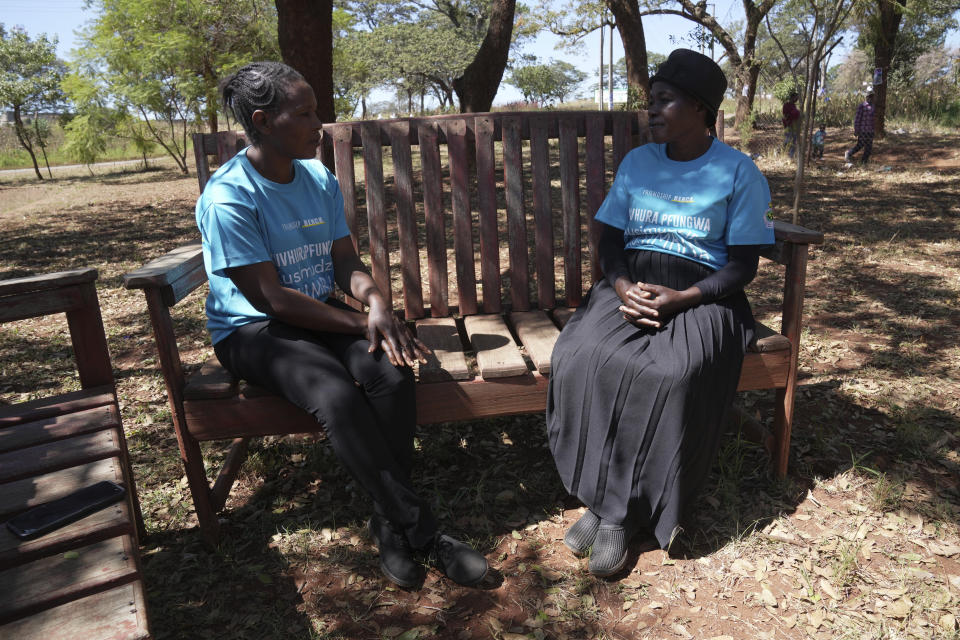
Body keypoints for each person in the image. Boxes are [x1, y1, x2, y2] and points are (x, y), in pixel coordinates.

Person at [196, 61, 489, 589]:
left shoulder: (315, 177)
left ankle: (386, 520)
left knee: (392, 373)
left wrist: (376, 304)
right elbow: (272, 299)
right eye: (305, 113)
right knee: (336, 396)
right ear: (263, 121)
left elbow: (344, 263)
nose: (320, 124)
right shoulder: (228, 198)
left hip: (314, 312)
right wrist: (357, 326)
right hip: (252, 330)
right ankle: (422, 532)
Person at [546, 49, 775, 577]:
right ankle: (603, 499)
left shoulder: (738, 172)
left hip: (703, 294)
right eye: (651, 101)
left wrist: (681, 300)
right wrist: (622, 285)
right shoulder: (637, 163)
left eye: (664, 101)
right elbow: (612, 242)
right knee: (582, 353)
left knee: (670, 373)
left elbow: (743, 266)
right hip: (632, 283)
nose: (651, 111)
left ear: (699, 108)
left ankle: (623, 515)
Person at [845, 92, 875, 164]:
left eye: (872, 97)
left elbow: (874, 119)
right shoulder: (862, 106)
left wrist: (874, 130)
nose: (871, 98)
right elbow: (857, 119)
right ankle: (848, 153)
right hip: (863, 130)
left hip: (870, 131)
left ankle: (864, 162)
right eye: (869, 97)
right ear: (867, 97)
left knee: (869, 148)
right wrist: (856, 130)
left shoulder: (873, 106)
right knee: (860, 145)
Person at [781, 91, 801, 159]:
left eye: (797, 98)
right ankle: (782, 152)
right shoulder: (786, 105)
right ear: (792, 97)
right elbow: (785, 116)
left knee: (793, 142)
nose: (797, 99)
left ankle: (791, 156)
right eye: (796, 98)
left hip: (794, 126)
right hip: (789, 125)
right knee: (787, 141)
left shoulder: (794, 106)